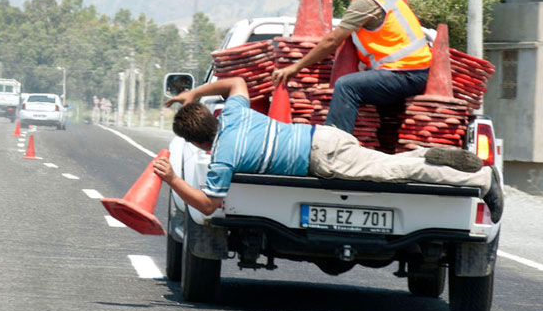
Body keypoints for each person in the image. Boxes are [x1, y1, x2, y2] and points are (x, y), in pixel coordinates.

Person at [152, 76, 503, 223]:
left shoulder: (224, 158)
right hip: (324, 137)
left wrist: (171, 179)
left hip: (324, 158)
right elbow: (237, 83)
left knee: (396, 172)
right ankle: (430, 153)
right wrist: (196, 94)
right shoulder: (233, 112)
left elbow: (209, 206)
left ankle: (484, 178)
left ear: (198, 143)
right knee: (386, 163)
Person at [273, 0, 434, 134]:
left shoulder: (365, 1)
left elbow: (333, 40)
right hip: (412, 71)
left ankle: (335, 144)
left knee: (346, 85)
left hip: (405, 73)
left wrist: (295, 68)